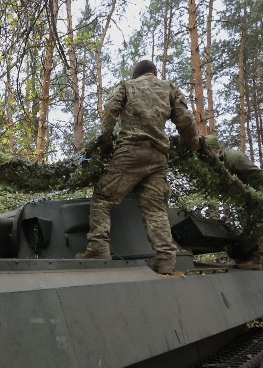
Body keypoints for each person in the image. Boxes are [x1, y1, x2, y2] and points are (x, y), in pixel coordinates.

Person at [76, 59, 200, 274]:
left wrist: (106, 141)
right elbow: (185, 119)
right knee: (155, 209)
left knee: (103, 198)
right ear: (154, 72)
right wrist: (193, 142)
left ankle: (98, 248)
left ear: (137, 74)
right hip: (159, 157)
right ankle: (165, 260)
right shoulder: (169, 88)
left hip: (131, 151)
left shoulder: (128, 86)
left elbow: (110, 110)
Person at [204, 134, 263, 270]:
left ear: (215, 149)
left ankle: (256, 260)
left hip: (255, 194)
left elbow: (256, 173)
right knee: (245, 226)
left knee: (255, 225)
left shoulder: (234, 157)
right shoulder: (212, 162)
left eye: (208, 150)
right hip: (241, 197)